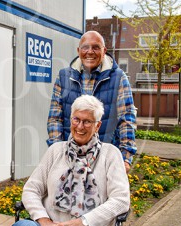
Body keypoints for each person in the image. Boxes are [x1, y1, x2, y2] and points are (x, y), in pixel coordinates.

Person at [7, 95, 130, 226]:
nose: (80, 126)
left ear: (98, 126)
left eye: (87, 121)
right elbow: (31, 189)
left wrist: (80, 223)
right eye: (76, 119)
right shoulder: (55, 150)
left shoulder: (110, 154)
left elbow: (120, 200)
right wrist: (44, 220)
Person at [47, 30, 137, 172]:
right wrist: (58, 153)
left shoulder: (119, 78)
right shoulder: (64, 76)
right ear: (78, 50)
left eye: (96, 47)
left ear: (104, 50)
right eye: (85, 47)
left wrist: (125, 158)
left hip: (104, 159)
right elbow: (55, 118)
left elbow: (127, 119)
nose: (90, 52)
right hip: (70, 157)